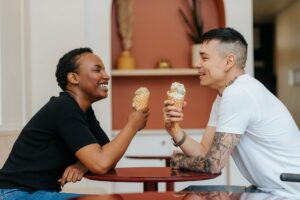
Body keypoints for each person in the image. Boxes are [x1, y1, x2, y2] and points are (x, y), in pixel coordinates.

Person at [163, 27, 300, 199]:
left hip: (289, 192)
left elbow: (213, 164)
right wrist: (175, 130)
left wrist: (178, 160)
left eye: (204, 58)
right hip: (268, 189)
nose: (198, 64)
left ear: (229, 61)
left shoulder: (239, 93)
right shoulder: (224, 95)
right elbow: (204, 152)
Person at [0, 48, 149, 200]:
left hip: (35, 193)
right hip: (15, 194)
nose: (106, 76)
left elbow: (108, 157)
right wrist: (132, 125)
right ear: (74, 78)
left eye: (104, 70)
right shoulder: (64, 107)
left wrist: (82, 165)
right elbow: (102, 163)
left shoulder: (83, 110)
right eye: (97, 70)